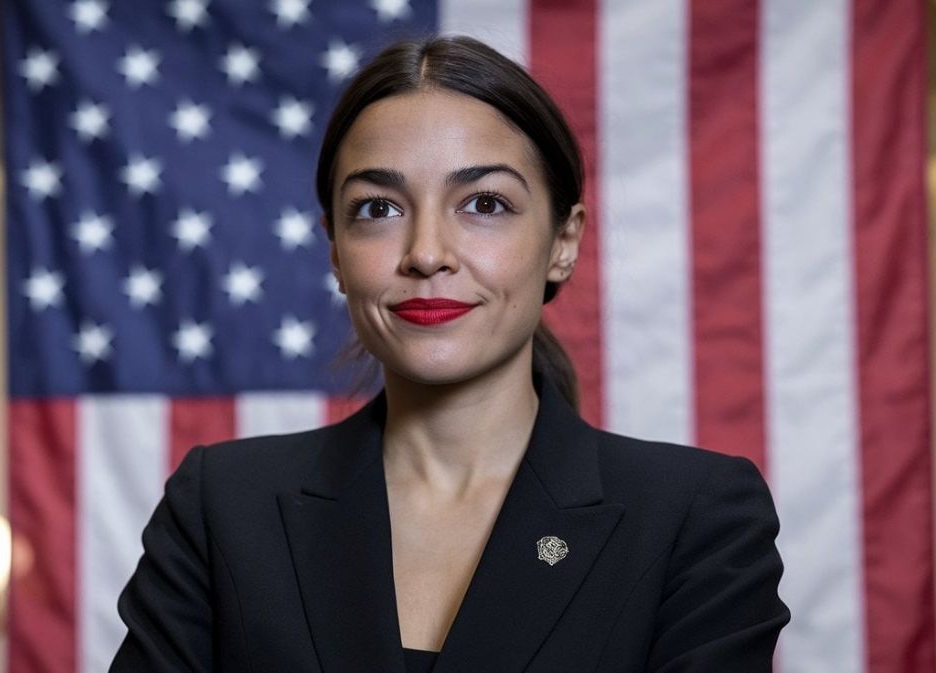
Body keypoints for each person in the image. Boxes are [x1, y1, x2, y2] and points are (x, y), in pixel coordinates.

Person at [110, 35, 789, 673]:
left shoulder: (695, 516)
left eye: (485, 202)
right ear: (335, 251)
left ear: (564, 241)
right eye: (378, 209)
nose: (427, 252)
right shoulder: (222, 506)